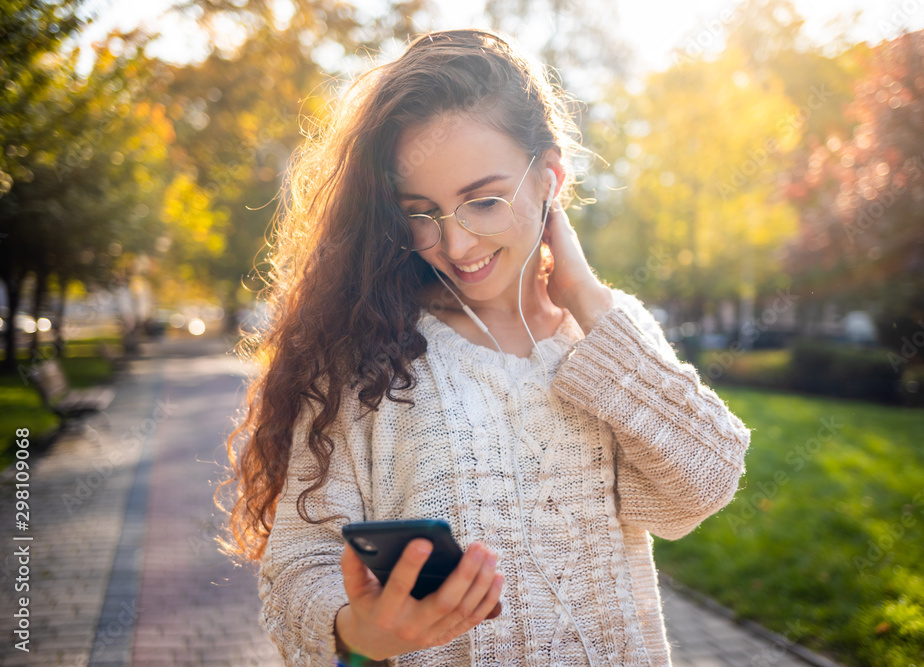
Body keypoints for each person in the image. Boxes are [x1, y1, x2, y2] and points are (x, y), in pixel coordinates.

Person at [217, 28, 752, 667]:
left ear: (549, 177)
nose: (457, 244)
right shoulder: (362, 354)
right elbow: (298, 565)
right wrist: (363, 634)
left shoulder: (608, 334)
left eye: (484, 201)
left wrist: (584, 296)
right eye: (421, 212)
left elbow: (703, 483)